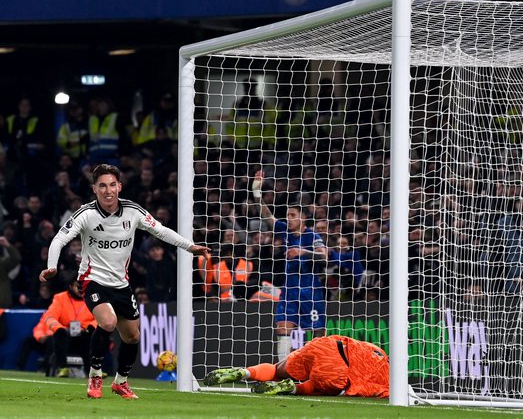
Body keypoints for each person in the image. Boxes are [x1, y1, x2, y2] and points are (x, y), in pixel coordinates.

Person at [39, 163, 209, 399]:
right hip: (92, 280)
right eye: (102, 186)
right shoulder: (86, 214)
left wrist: (189, 246)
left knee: (132, 336)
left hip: (121, 284)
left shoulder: (133, 212)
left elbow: (160, 230)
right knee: (107, 323)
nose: (108, 191)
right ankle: (95, 376)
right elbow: (58, 240)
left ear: (119, 186)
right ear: (94, 189)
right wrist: (51, 266)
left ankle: (121, 382)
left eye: (112, 185)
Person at [252, 170, 328, 361]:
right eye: (287, 215)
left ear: (302, 218)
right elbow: (267, 215)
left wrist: (303, 252)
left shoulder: (313, 236)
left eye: (292, 215)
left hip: (311, 291)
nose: (288, 218)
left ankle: (322, 368)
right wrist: (256, 191)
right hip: (289, 291)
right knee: (282, 328)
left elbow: (324, 257)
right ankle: (283, 372)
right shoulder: (285, 230)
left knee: (318, 334)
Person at [203, 335, 389, 398]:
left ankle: (245, 372)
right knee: (318, 386)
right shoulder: (387, 382)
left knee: (277, 369)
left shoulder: (376, 350)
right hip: (337, 371)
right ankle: (291, 389)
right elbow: (364, 391)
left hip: (325, 346)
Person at [41, 279, 97, 377]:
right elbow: (50, 316)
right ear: (70, 286)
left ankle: (93, 370)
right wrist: (58, 328)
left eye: (83, 287)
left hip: (84, 334)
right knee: (59, 334)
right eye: (77, 286)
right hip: (65, 334)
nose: (80, 289)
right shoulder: (60, 298)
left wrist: (91, 327)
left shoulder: (93, 298)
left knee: (92, 336)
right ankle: (63, 368)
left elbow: (100, 318)